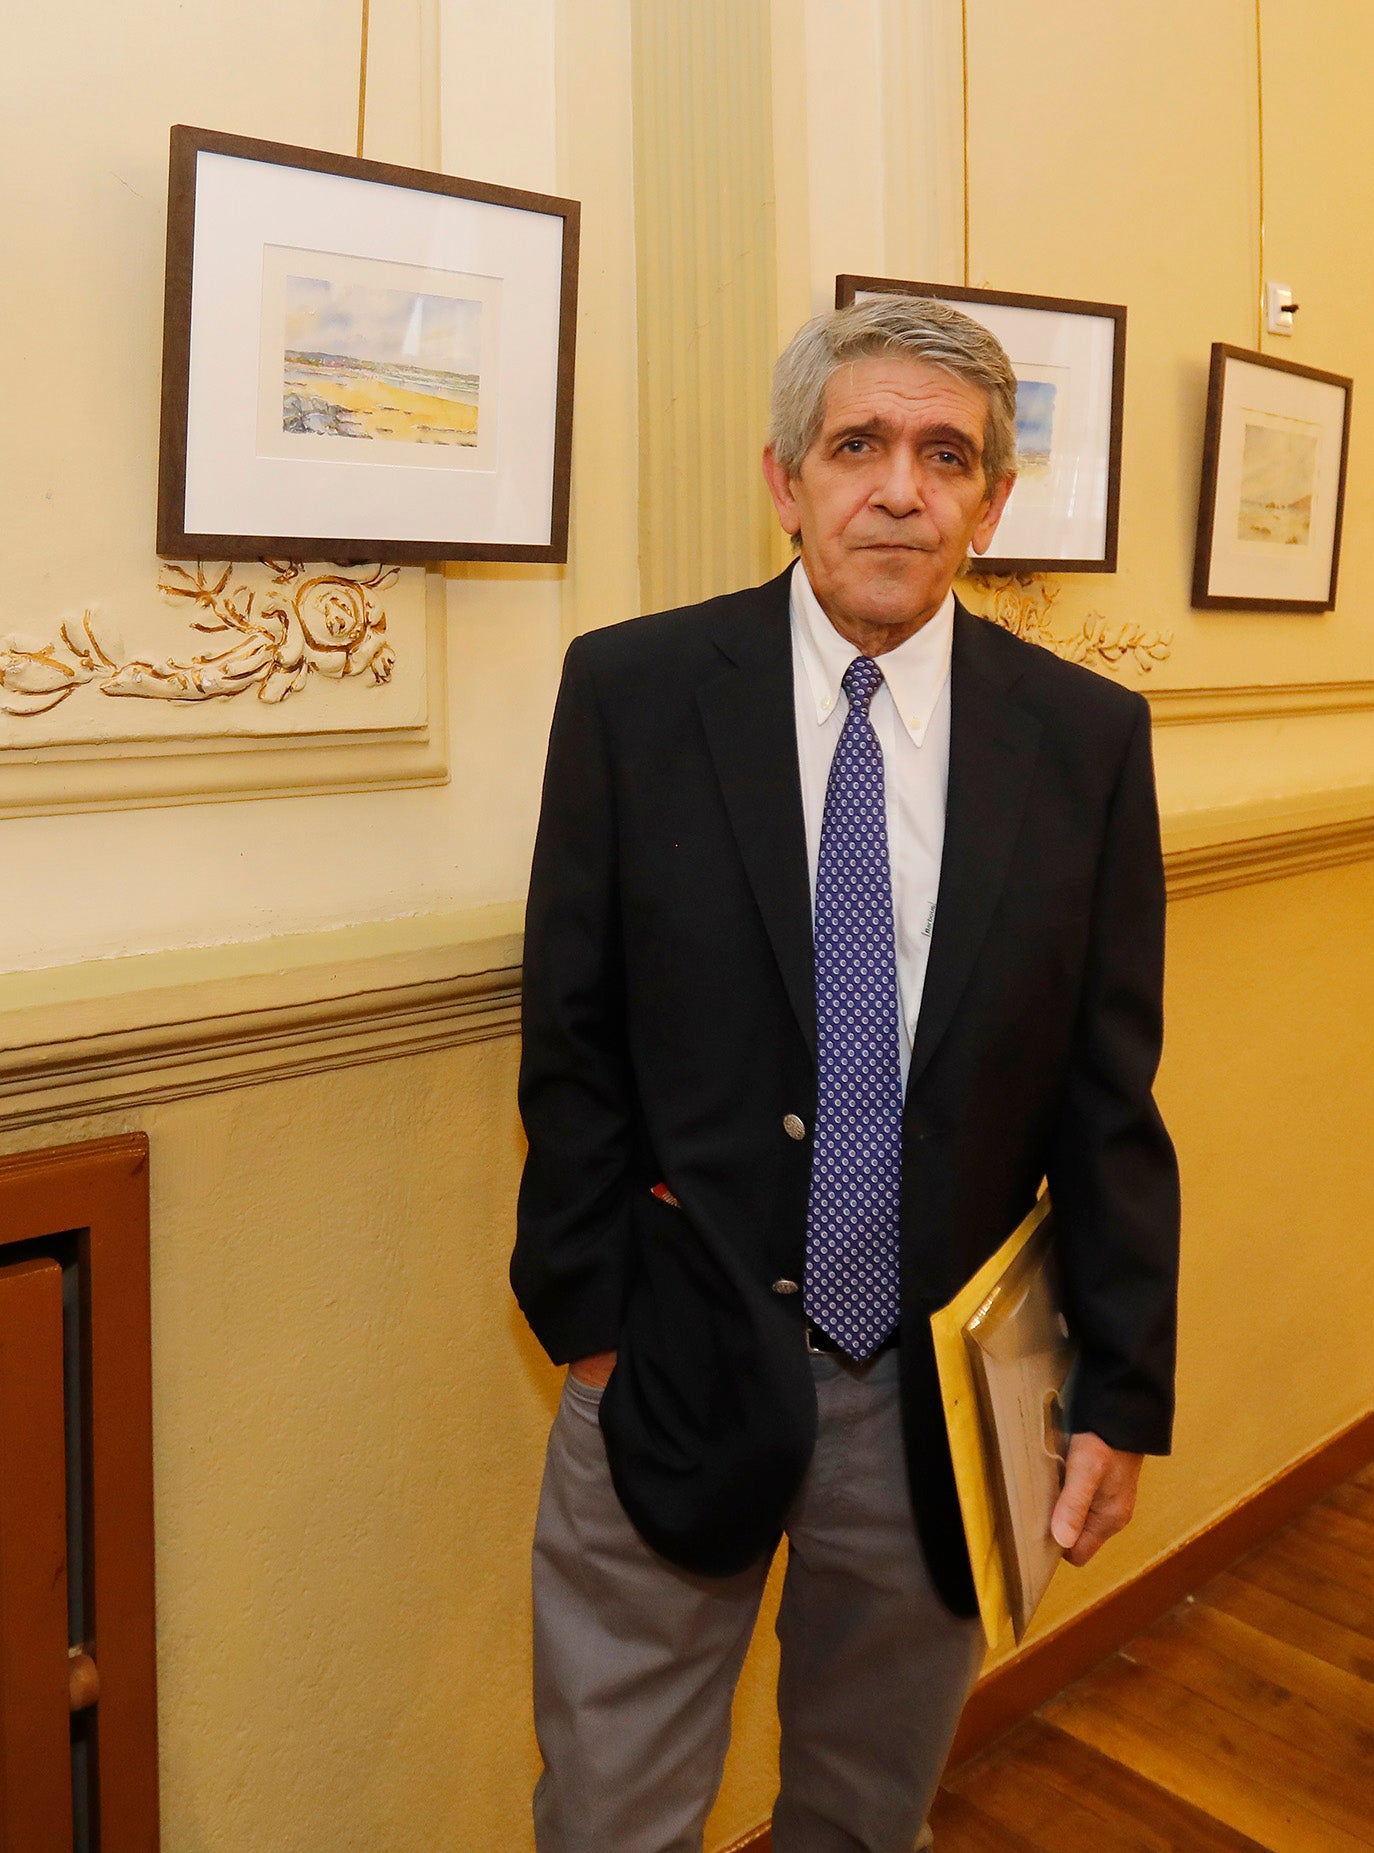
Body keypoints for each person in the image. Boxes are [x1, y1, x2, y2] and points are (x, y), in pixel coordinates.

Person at [512, 294, 1179, 1853]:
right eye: (858, 444)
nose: (899, 487)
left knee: (868, 1812)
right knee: (612, 1813)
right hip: (670, 1358)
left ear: (991, 501)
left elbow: (1107, 1091)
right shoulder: (632, 694)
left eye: (944, 455)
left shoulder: (1083, 740)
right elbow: (571, 1043)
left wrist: (1119, 1386)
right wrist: (595, 1331)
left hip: (933, 1393)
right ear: (785, 477)